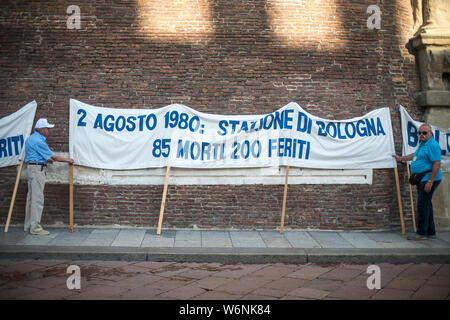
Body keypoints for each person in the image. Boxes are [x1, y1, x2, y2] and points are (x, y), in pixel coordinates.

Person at [24, 118, 74, 235]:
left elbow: (43, 156)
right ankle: (35, 228)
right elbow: (54, 157)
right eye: (47, 128)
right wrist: (68, 160)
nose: (49, 130)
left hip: (32, 168)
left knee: (31, 198)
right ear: (41, 130)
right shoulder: (39, 141)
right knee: (37, 199)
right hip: (37, 170)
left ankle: (28, 225)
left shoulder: (31, 139)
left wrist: (48, 159)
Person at [393, 123, 442, 240]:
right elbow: (415, 155)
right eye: (419, 133)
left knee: (422, 205)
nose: (421, 135)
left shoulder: (433, 145)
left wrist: (430, 181)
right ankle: (431, 232)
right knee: (427, 205)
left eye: (424, 133)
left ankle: (421, 233)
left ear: (430, 133)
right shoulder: (422, 144)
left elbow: (437, 163)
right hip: (423, 179)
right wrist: (401, 158)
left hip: (428, 179)